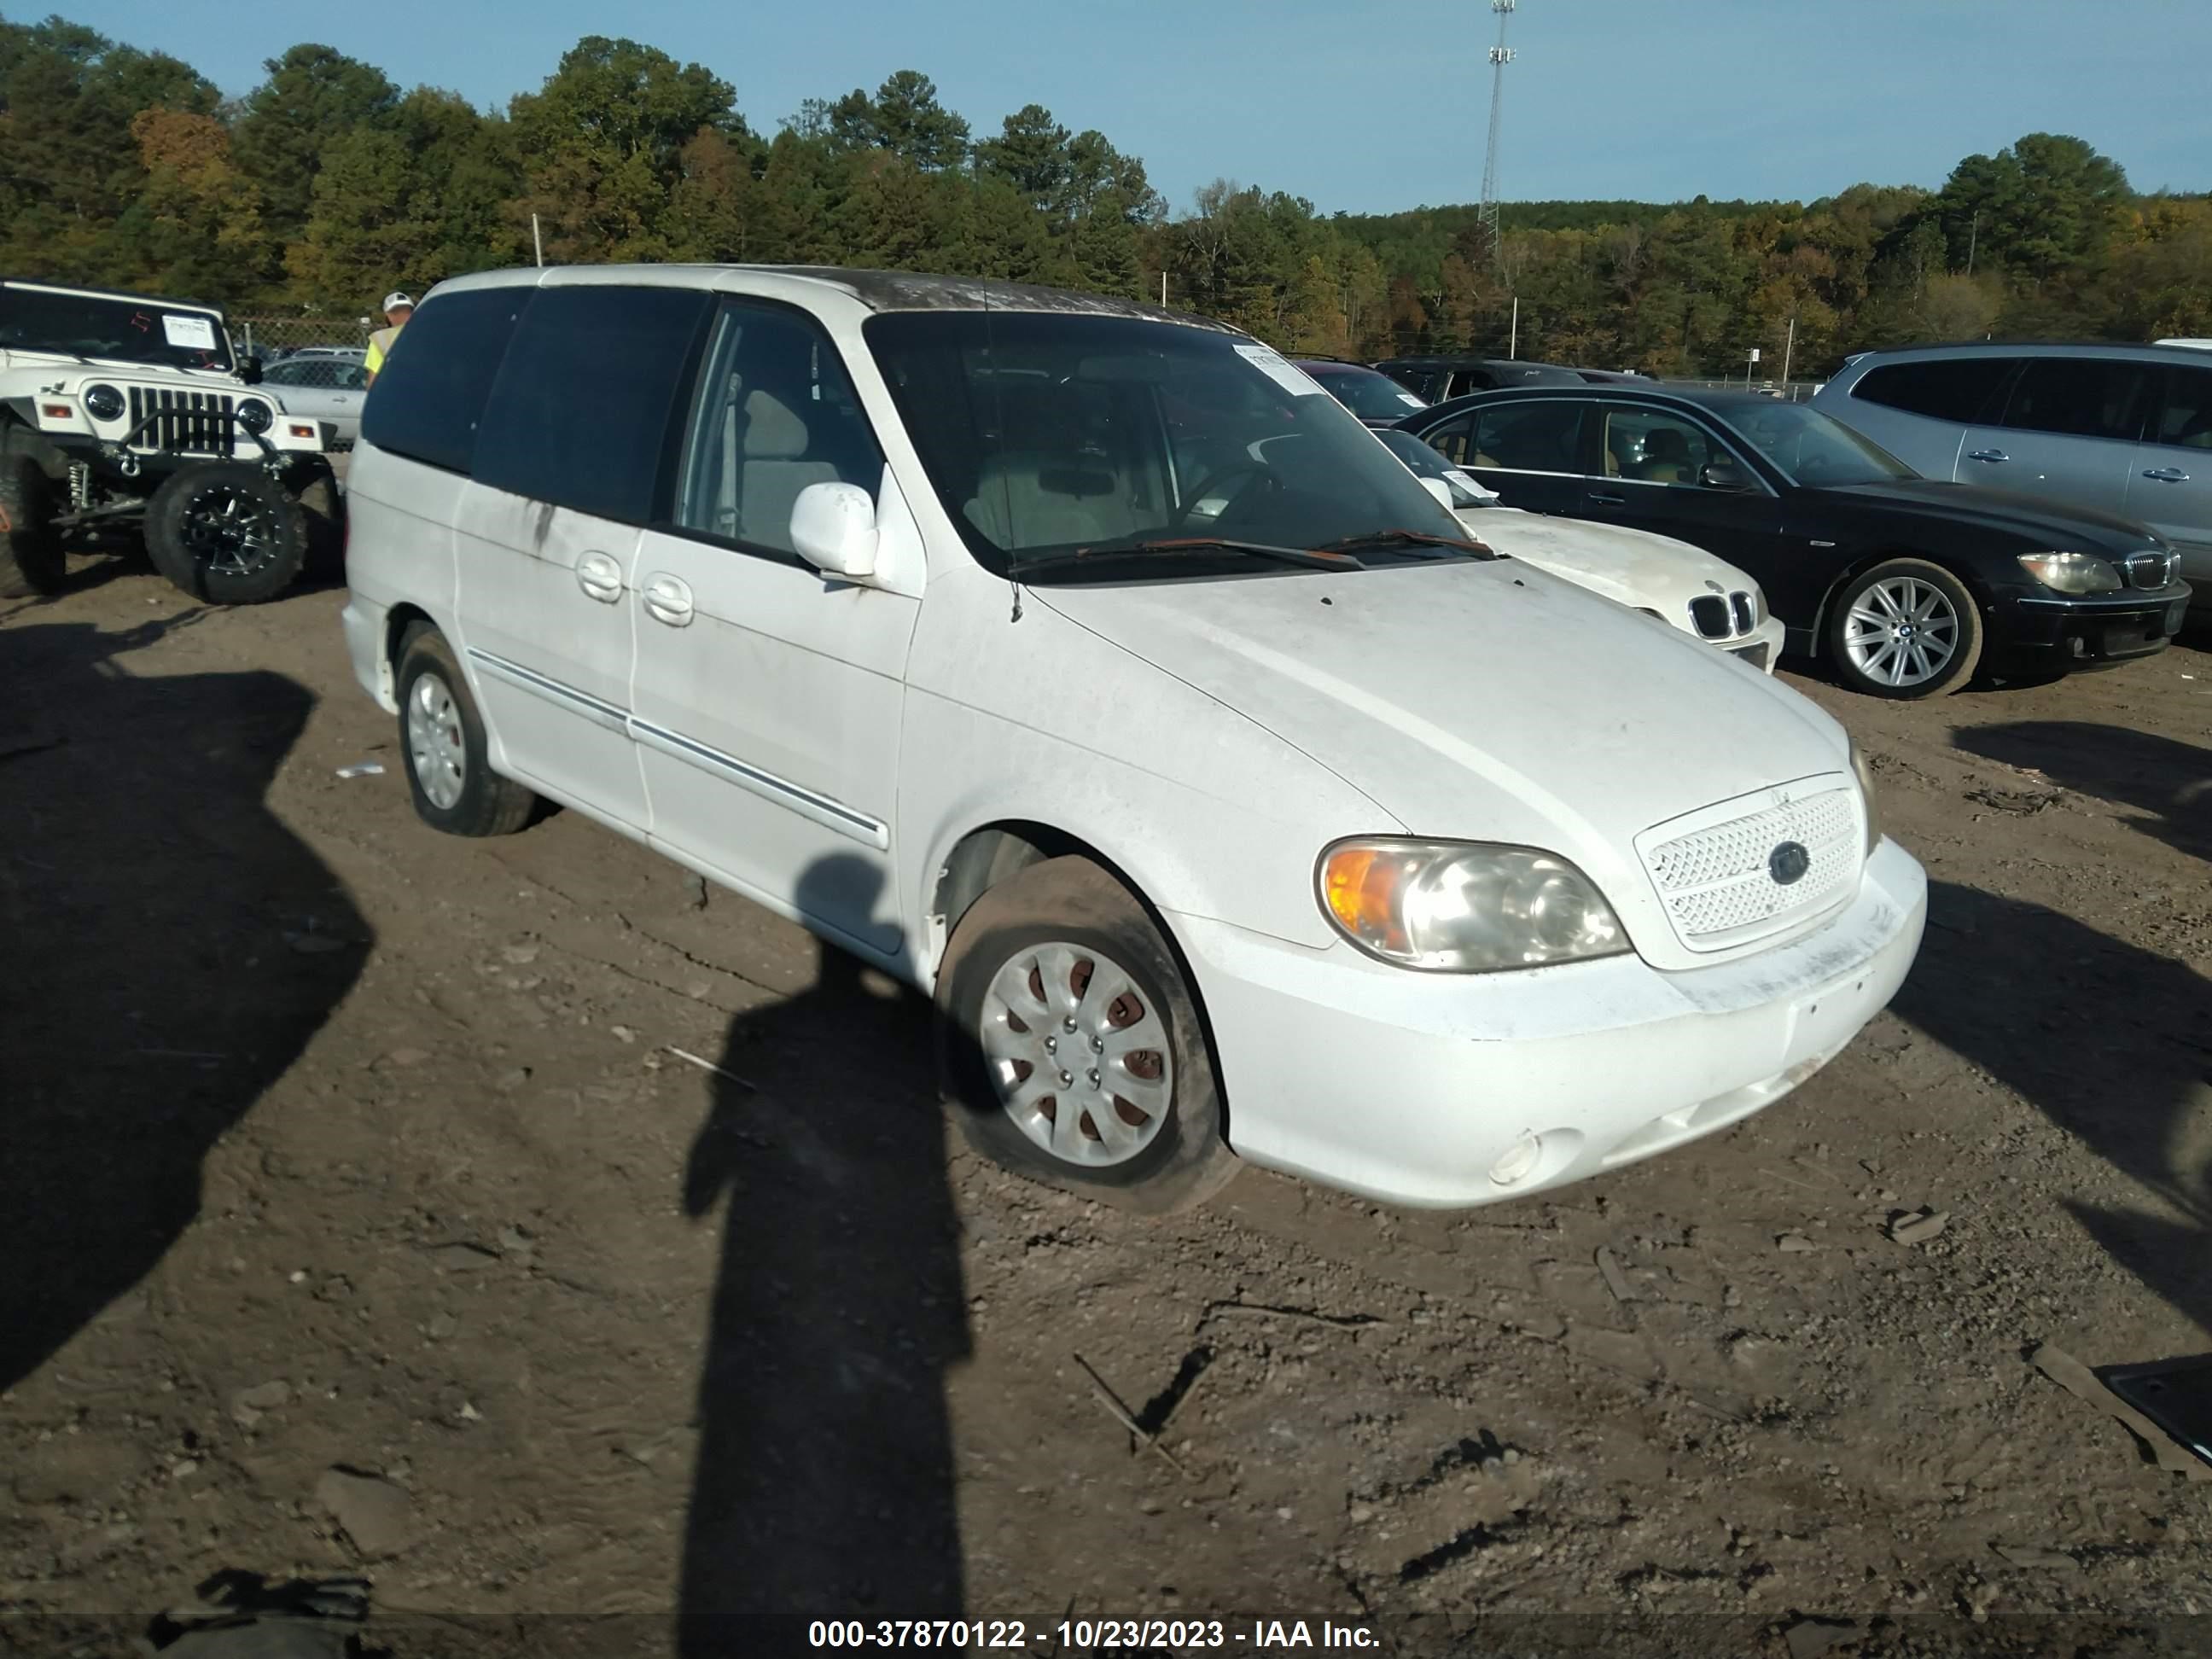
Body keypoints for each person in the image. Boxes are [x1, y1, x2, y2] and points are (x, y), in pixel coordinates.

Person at [362, 292, 413, 386]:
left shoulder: (380, 339)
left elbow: (373, 382)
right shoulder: (429, 335)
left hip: (393, 395)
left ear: (388, 315)